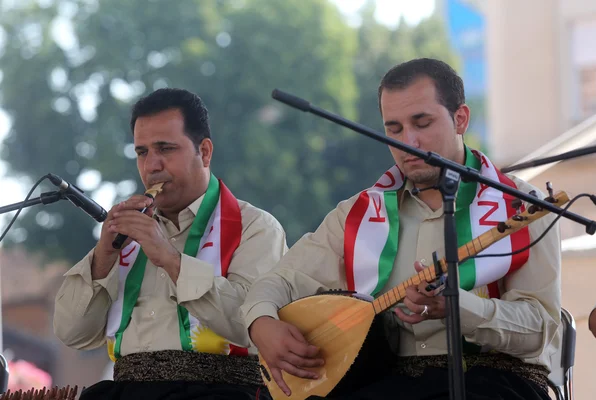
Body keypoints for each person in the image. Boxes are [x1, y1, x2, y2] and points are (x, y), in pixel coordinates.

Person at [242, 58, 561, 400]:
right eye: (394, 129)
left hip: (496, 379)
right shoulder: (358, 213)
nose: (409, 141)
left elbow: (541, 329)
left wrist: (458, 307)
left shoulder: (521, 203)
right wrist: (262, 323)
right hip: (388, 381)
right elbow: (279, 281)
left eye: (422, 123)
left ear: (460, 119)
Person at [54, 88, 287, 400]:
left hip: (220, 391)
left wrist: (169, 257)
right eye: (142, 152)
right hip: (125, 391)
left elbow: (254, 324)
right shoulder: (125, 234)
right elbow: (73, 334)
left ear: (204, 152)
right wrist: (103, 256)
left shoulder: (256, 228)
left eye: (165, 149)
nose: (152, 166)